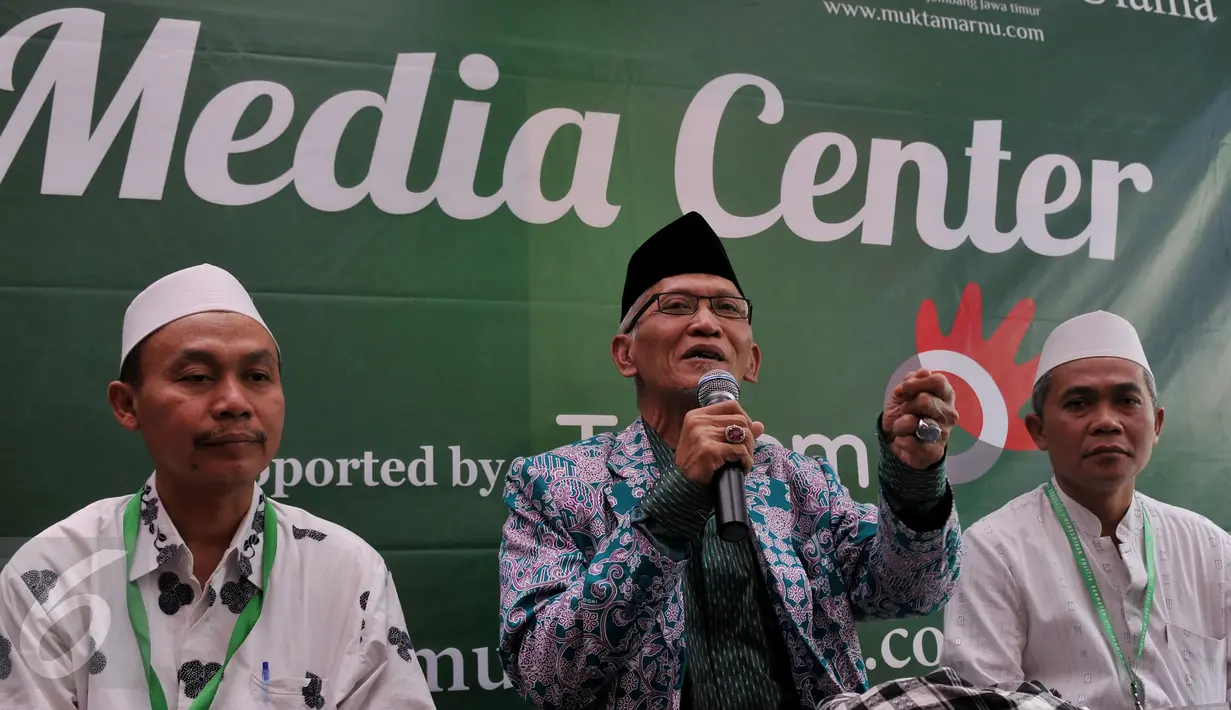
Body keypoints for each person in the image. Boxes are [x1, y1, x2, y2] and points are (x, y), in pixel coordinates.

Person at [496, 211, 964, 710]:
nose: (705, 322)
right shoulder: (555, 484)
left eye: (727, 308)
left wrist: (916, 482)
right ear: (624, 355)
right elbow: (545, 673)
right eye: (674, 305)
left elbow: (913, 592)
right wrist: (675, 502)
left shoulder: (800, 481)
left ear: (752, 362)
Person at [0, 264, 436, 710]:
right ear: (127, 404)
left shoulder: (346, 572)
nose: (234, 402)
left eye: (257, 376)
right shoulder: (51, 574)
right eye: (196, 377)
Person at [939, 310, 1230, 709]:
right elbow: (984, 701)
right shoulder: (995, 550)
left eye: (1127, 401)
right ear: (1038, 431)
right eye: (1079, 403)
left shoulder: (1211, 548)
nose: (1106, 422)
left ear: (1157, 424)